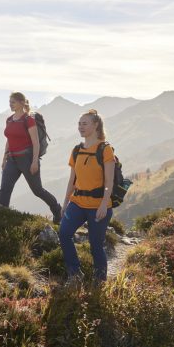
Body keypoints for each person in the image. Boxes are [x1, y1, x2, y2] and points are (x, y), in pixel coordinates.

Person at [58, 109, 115, 284]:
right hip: (77, 202)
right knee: (63, 233)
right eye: (79, 124)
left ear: (95, 125)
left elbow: (109, 181)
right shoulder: (77, 150)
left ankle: (100, 280)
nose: (80, 127)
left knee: (95, 245)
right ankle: (75, 273)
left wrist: (104, 204)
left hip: (98, 205)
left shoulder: (105, 150)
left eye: (85, 123)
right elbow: (72, 180)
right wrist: (65, 203)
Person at [0, 91, 62, 222]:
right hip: (12, 159)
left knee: (37, 190)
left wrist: (34, 162)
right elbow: (9, 139)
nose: (10, 105)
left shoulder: (28, 119)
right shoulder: (9, 120)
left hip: (27, 159)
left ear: (21, 103)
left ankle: (57, 210)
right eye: (9, 102)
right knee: (5, 189)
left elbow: (35, 142)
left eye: (13, 102)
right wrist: (4, 158)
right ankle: (1, 217)